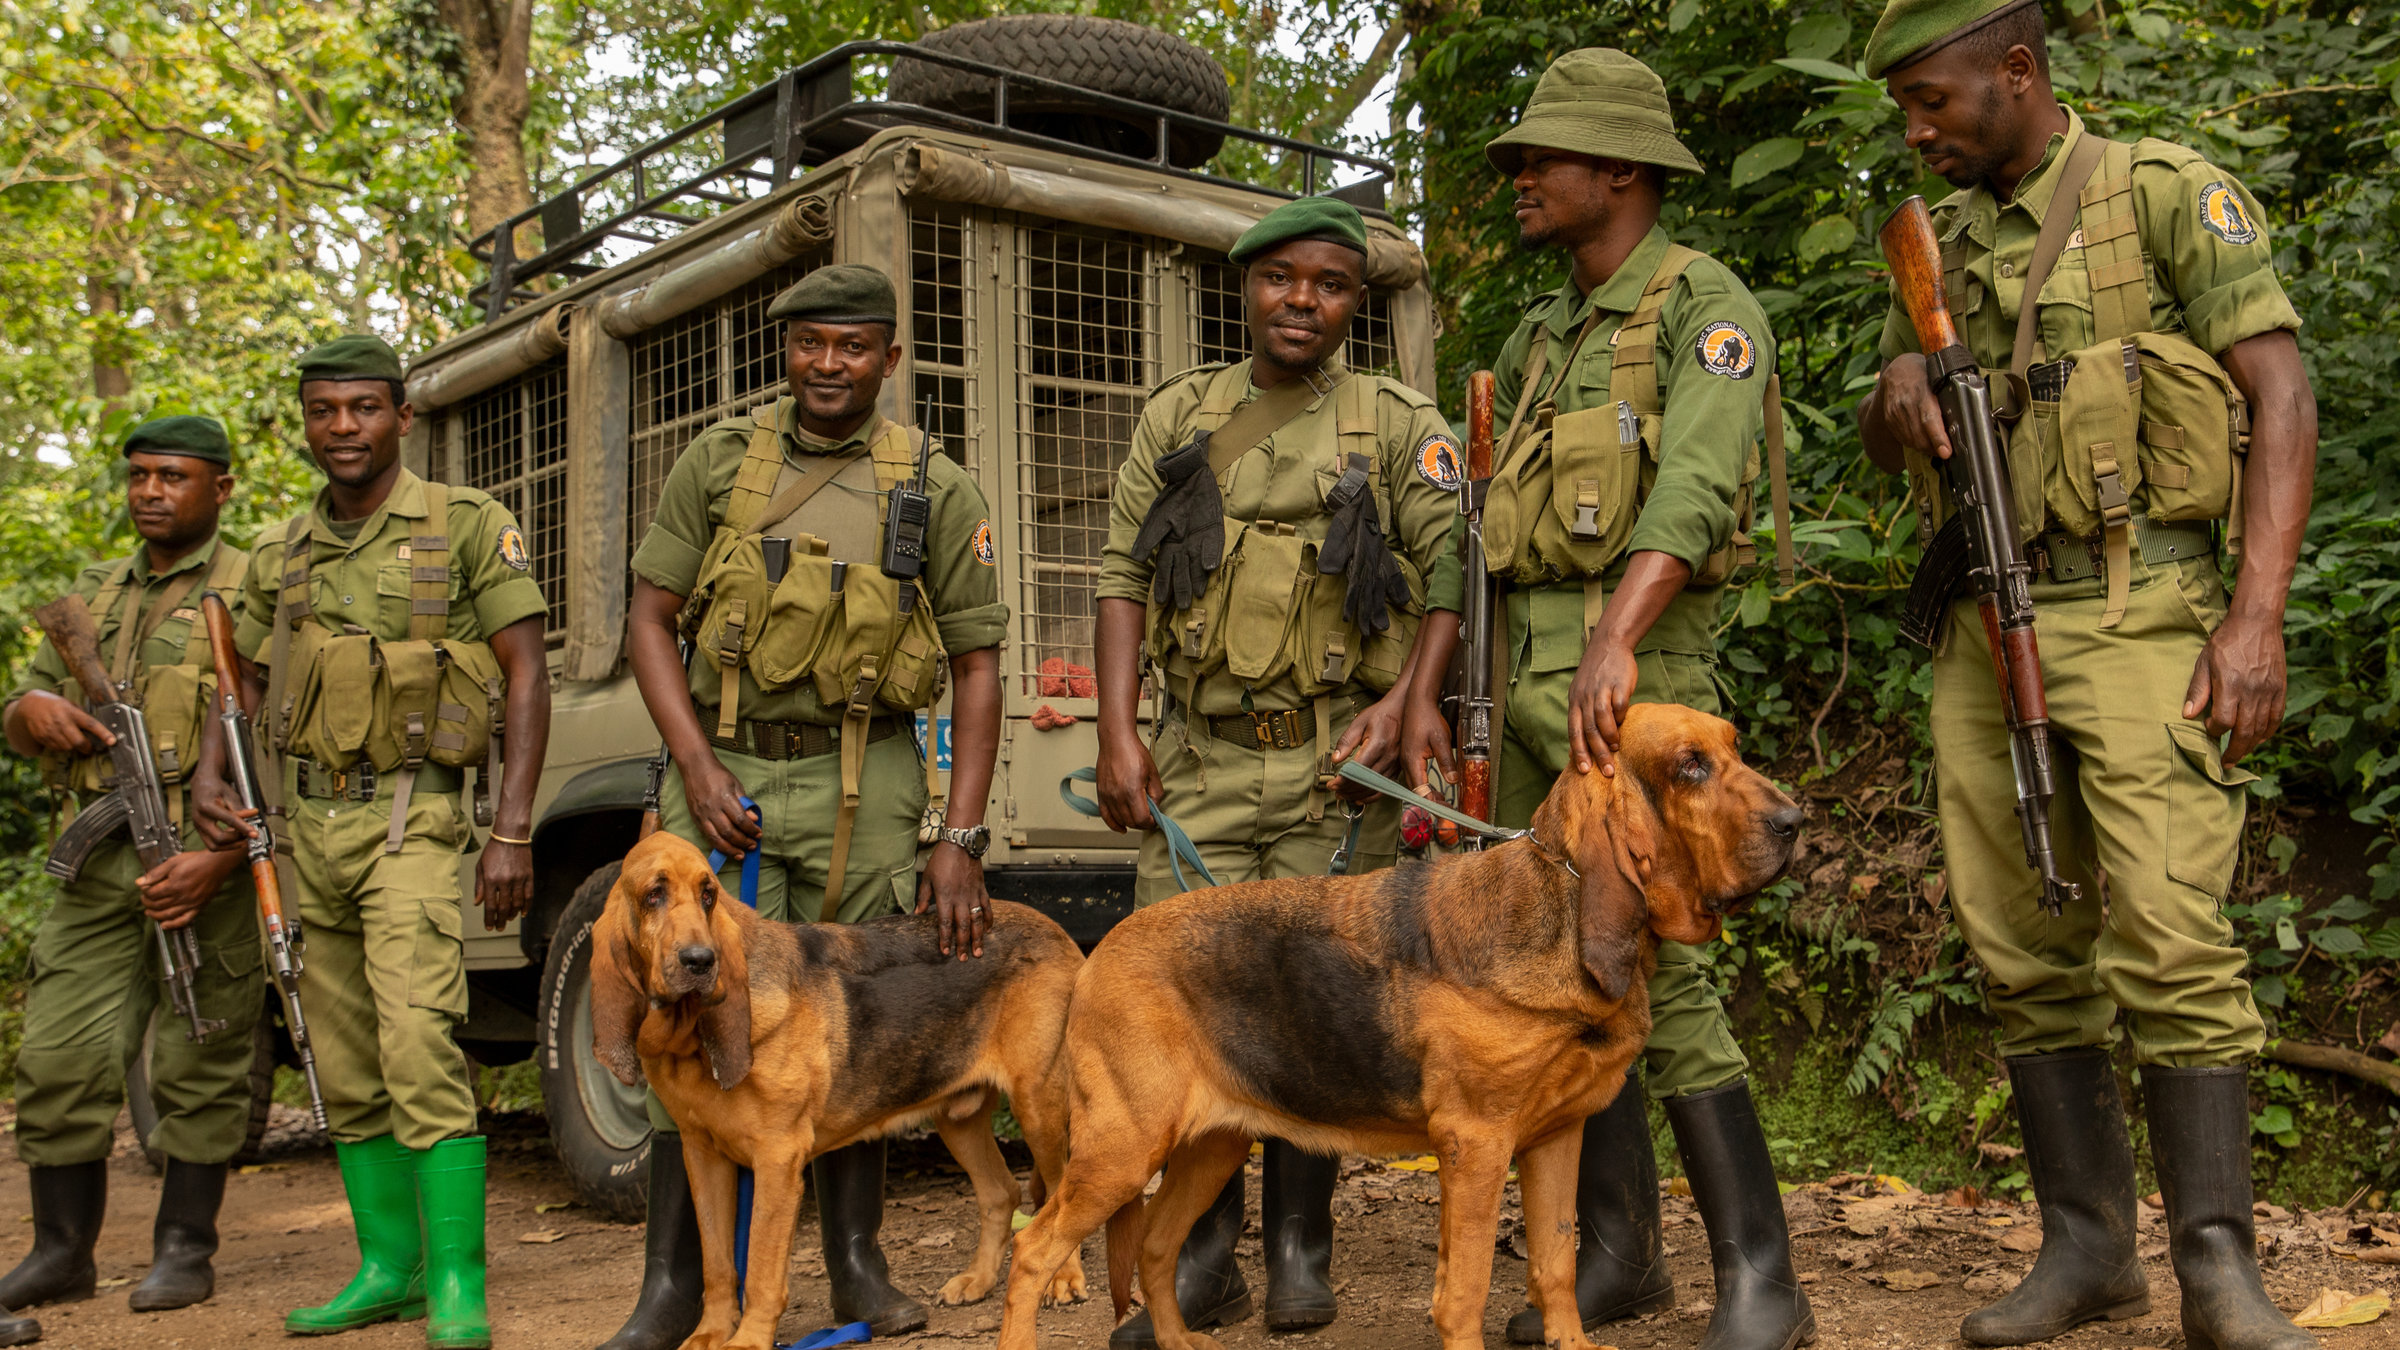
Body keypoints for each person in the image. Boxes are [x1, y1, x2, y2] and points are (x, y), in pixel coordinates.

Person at [1857, 2, 2317, 1347]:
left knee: (2174, 936)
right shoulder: (1946, 242)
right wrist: (1900, 394)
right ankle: (2087, 1248)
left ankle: (2219, 1272)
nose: (1918, 127)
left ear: (2018, 71)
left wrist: (2257, 617)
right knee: (2017, 941)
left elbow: (2279, 396)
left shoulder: (2159, 193)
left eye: (1934, 99)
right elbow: (1910, 444)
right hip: (1990, 621)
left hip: (2146, 606)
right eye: (1903, 109)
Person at [1395, 49, 1812, 1350]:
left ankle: (1764, 1278)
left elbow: (1692, 488)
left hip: (1643, 694)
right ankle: (1614, 1255)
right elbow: (1487, 543)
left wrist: (1618, 639)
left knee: (1661, 975)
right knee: (1546, 970)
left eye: (1541, 159)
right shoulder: (1532, 343)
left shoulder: (1704, 307)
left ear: (1619, 170)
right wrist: (1450, 697)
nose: (1519, 179)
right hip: (1524, 698)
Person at [604, 262, 1008, 1349]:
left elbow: (977, 666)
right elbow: (649, 620)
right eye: (809, 343)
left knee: (849, 1032)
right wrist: (693, 763)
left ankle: (857, 1271)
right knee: (679, 1015)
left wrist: (957, 838)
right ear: (784, 351)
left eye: (852, 345)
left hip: (867, 783)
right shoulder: (724, 464)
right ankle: (675, 1289)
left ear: (890, 356)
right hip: (728, 772)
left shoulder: (932, 483)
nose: (828, 364)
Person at [1090, 195, 1460, 1345]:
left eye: (1332, 284)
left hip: (1328, 766)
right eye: (1282, 279)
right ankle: (1202, 1263)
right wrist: (1116, 729)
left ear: (1356, 302)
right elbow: (1120, 576)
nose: (1304, 300)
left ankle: (1303, 1251)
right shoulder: (1181, 416)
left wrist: (1409, 705)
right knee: (1190, 1013)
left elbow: (1453, 570)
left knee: (1315, 1009)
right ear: (1244, 289)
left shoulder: (1395, 420)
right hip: (1197, 760)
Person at [192, 335, 553, 1350]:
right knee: (343, 1061)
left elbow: (526, 673)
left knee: (418, 1044)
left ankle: (456, 1287)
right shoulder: (281, 551)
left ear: (402, 416)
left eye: (362, 408)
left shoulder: (466, 524)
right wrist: (219, 777)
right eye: (322, 411)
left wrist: (511, 830)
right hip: (306, 831)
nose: (342, 429)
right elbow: (244, 681)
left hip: (415, 819)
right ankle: (388, 1267)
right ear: (303, 423)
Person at [0, 417, 264, 1346]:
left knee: (202, 1050)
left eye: (175, 476)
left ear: (221, 489)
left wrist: (224, 857)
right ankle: (62, 1251)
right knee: (57, 1058)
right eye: (141, 475)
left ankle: (184, 1248)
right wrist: (31, 710)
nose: (153, 491)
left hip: (207, 863)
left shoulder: (255, 587)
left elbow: (278, 737)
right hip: (99, 862)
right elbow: (22, 714)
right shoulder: (95, 595)